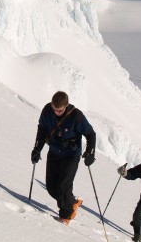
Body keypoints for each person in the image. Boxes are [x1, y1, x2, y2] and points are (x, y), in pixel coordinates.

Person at [31, 91, 96, 225]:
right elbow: (42, 130)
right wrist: (37, 149)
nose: (56, 112)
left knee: (63, 187)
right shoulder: (47, 111)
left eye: (59, 110)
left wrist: (90, 153)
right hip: (54, 152)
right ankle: (72, 202)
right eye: (54, 109)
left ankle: (65, 217)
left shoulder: (76, 116)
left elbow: (91, 134)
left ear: (66, 106)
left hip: (71, 156)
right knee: (51, 187)